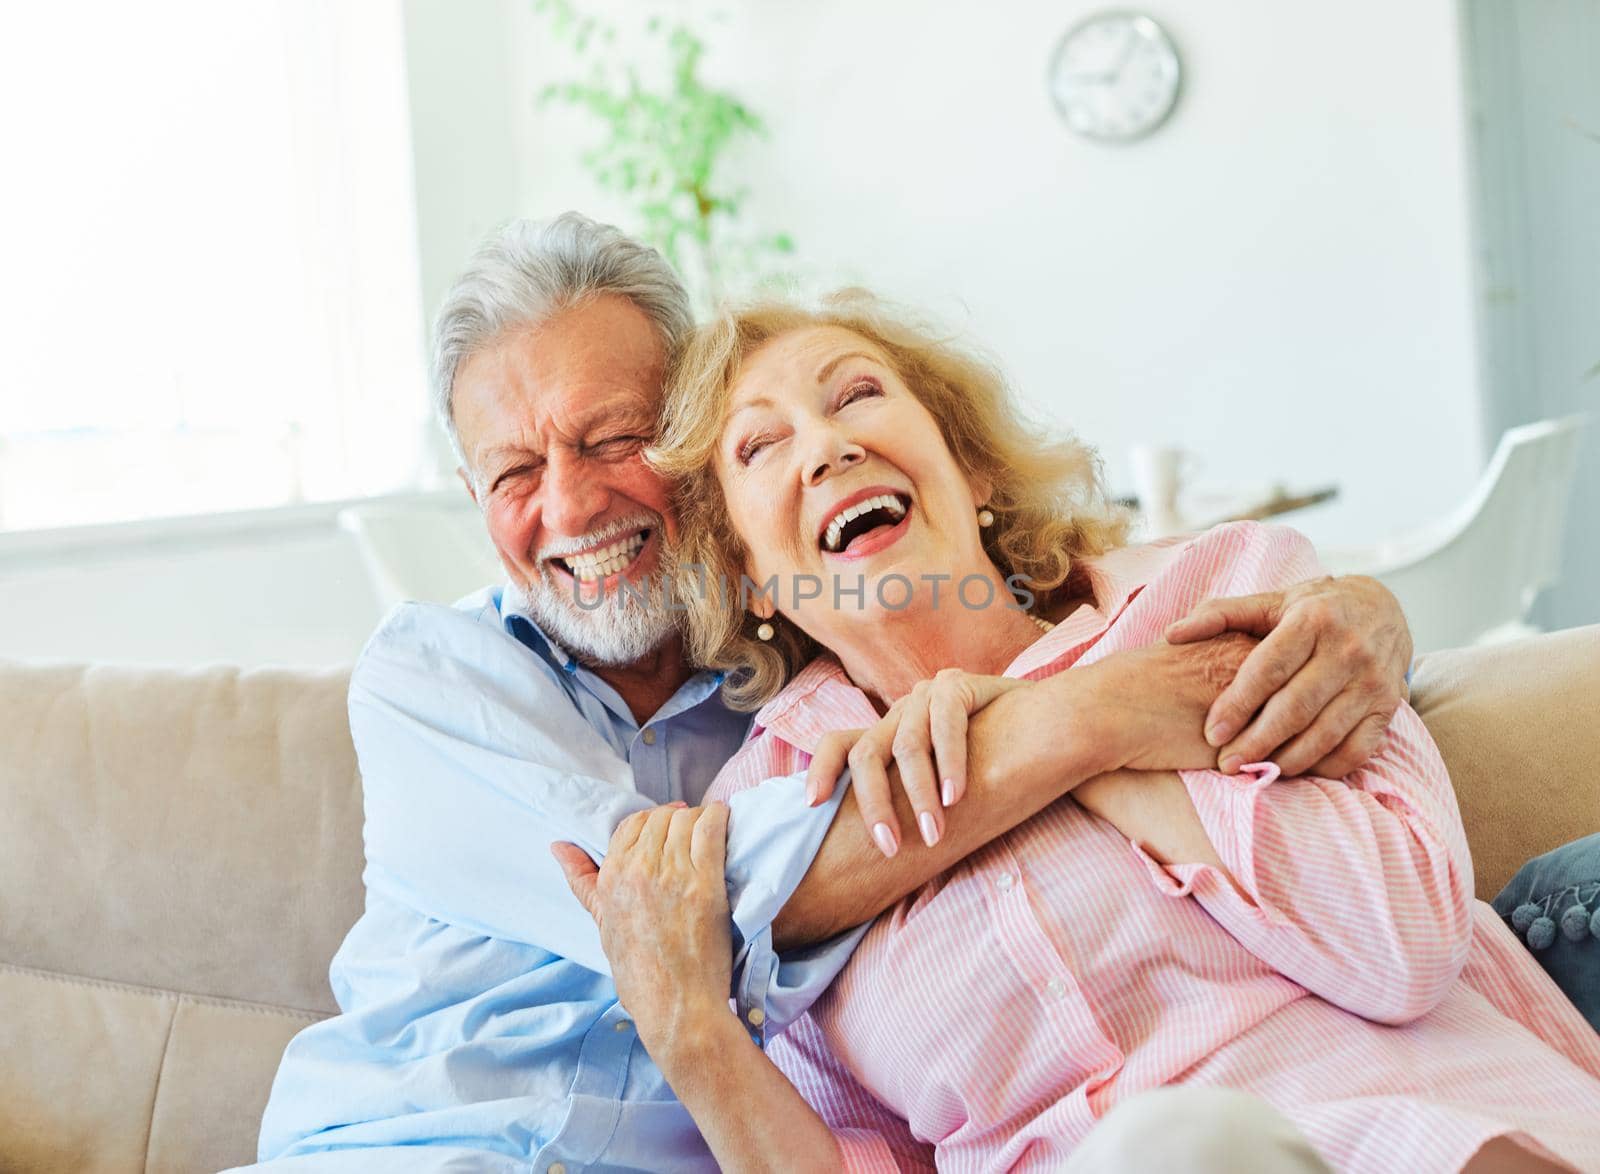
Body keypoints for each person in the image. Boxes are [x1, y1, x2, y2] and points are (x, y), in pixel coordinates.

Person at [243, 215, 1415, 1172]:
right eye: (512, 472)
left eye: (613, 439)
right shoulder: (434, 678)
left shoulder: (804, 687)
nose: (572, 504)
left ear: (697, 469)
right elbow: (687, 899)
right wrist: (1098, 710)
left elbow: (1038, 580)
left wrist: (1373, 614)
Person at [568, 291, 1600, 1172]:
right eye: (761, 445)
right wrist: (695, 1038)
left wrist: (1055, 718)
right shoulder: (772, 817)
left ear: (969, 472)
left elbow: (1403, 941)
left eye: (858, 395)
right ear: (750, 573)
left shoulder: (1224, 593)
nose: (829, 446)